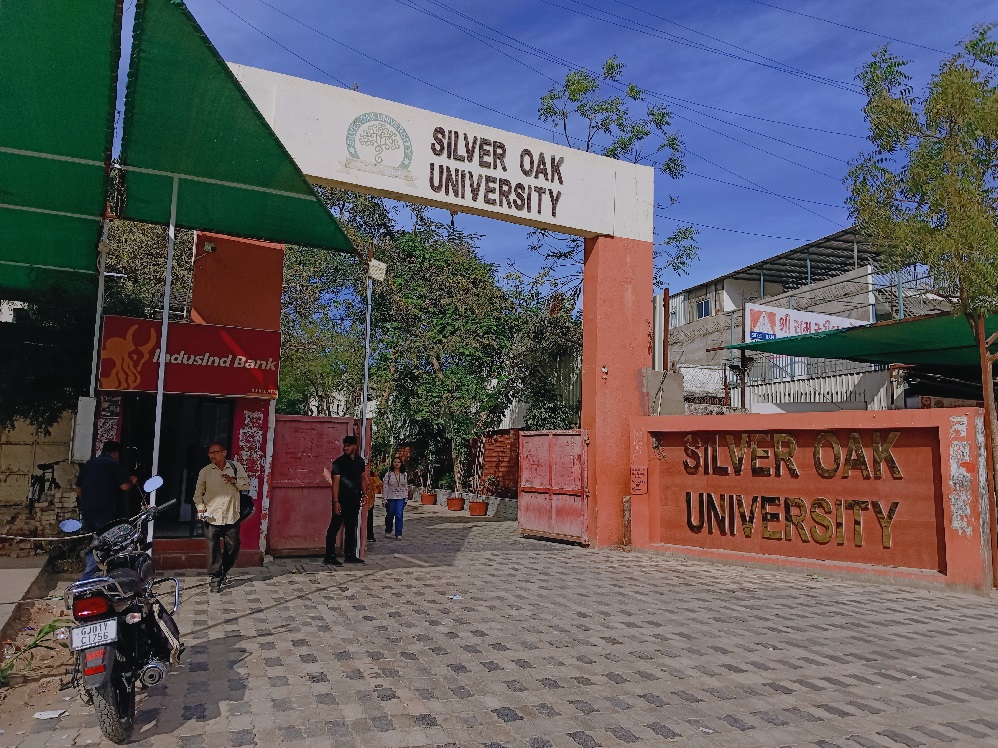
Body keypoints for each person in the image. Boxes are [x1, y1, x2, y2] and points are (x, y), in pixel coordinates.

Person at [75, 440, 137, 581]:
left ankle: (96, 574)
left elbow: (78, 489)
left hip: (87, 510)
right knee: (104, 541)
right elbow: (124, 487)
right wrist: (133, 480)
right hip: (104, 511)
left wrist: (87, 501)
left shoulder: (89, 464)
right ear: (115, 453)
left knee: (94, 540)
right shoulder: (113, 465)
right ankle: (89, 577)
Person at [193, 443, 249, 592]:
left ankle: (223, 570)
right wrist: (201, 508)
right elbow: (198, 494)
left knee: (233, 546)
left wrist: (234, 481)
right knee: (213, 549)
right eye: (210, 453)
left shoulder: (235, 467)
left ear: (224, 453)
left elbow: (246, 484)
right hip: (212, 516)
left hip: (232, 515)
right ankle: (216, 577)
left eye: (215, 453)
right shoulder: (205, 471)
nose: (212, 456)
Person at [325, 435, 366, 566]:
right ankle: (329, 556)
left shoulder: (360, 462)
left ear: (355, 446)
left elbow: (363, 478)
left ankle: (350, 555)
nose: (345, 448)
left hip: (354, 499)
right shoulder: (338, 463)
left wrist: (365, 494)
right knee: (334, 527)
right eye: (344, 445)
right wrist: (336, 501)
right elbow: (335, 483)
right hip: (341, 500)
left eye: (348, 445)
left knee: (350, 527)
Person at [382, 457, 408, 540]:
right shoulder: (388, 474)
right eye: (395, 462)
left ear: (401, 464)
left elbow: (405, 487)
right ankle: (388, 530)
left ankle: (399, 533)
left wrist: (406, 498)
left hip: (401, 497)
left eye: (398, 462)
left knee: (399, 514)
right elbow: (385, 487)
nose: (397, 464)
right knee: (390, 515)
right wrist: (384, 499)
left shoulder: (404, 474)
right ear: (392, 463)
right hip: (390, 497)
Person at [365, 467, 382, 544]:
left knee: (369, 517)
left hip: (370, 500)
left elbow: (380, 483)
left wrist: (373, 484)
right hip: (363, 498)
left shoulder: (372, 474)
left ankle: (369, 535)